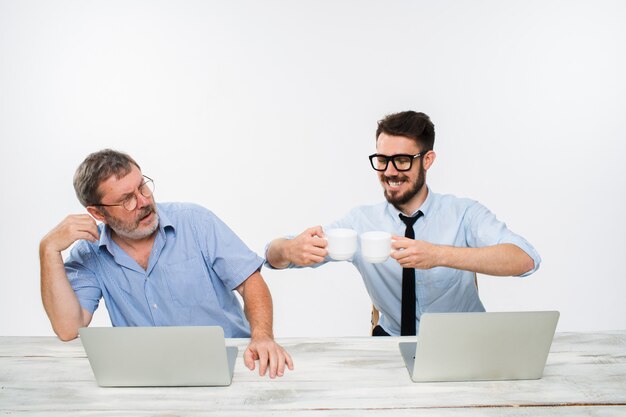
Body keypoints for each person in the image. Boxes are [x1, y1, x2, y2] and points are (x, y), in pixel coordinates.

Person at [265, 111, 541, 337]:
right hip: (391, 344)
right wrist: (288, 250)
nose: (389, 172)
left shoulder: (464, 213)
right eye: (382, 160)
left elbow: (525, 260)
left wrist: (438, 254)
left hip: (464, 341)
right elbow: (272, 256)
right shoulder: (361, 222)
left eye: (402, 161)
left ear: (427, 160)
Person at [40, 149, 293, 378]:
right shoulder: (90, 252)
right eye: (127, 198)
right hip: (147, 375)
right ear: (98, 213)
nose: (143, 201)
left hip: (233, 364)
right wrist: (48, 250)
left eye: (142, 186)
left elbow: (250, 281)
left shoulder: (196, 222)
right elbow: (68, 329)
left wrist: (262, 336)